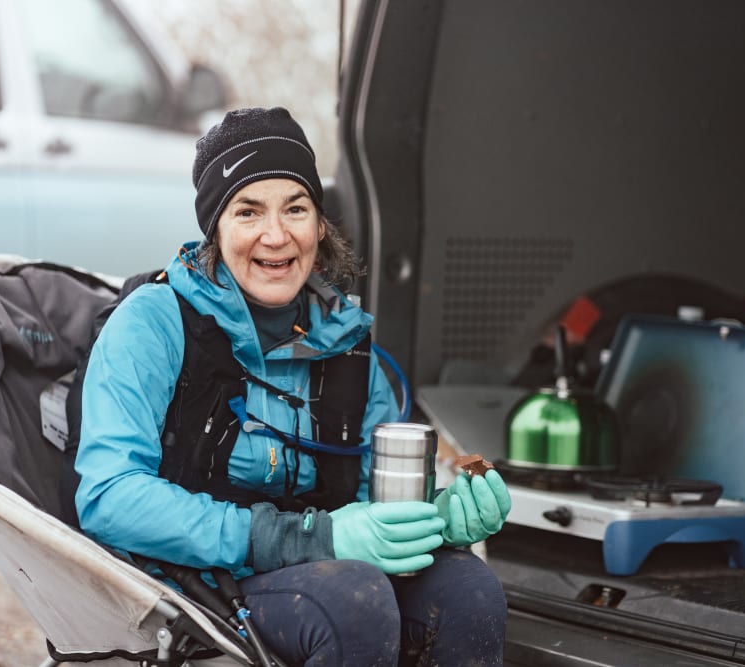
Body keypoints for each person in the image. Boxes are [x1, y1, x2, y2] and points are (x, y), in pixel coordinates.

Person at [74, 107, 512, 666]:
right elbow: (109, 497)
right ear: (215, 229)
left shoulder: (346, 343)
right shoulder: (153, 323)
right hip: (197, 579)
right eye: (248, 211)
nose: (276, 236)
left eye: (296, 208)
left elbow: (368, 509)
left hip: (322, 570)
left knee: (470, 591)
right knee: (355, 601)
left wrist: (438, 521)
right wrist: (307, 539)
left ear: (320, 225)